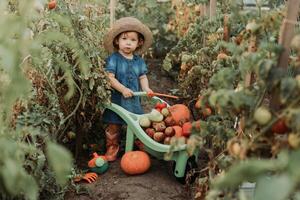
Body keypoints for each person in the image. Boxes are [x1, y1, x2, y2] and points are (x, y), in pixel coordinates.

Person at [102, 17, 153, 161]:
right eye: (124, 39)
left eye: (133, 40)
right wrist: (123, 89)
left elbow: (142, 77)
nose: (128, 42)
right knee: (114, 123)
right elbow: (110, 77)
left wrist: (147, 88)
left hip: (133, 99)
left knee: (137, 122)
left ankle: (139, 143)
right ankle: (112, 146)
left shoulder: (139, 61)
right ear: (117, 41)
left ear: (139, 43)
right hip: (118, 99)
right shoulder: (114, 58)